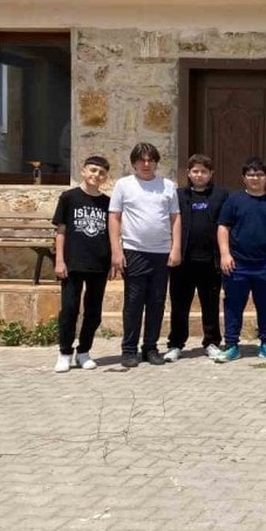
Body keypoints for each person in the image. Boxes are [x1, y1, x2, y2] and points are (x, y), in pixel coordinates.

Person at [108, 143, 181, 368]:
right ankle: (129, 349)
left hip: (161, 252)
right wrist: (116, 251)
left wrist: (176, 248)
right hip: (134, 251)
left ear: (156, 163)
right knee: (133, 302)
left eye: (151, 160)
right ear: (134, 163)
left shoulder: (168, 186)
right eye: (142, 160)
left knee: (157, 302)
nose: (146, 164)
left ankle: (150, 347)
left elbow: (175, 218)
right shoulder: (123, 185)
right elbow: (114, 217)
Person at [214, 157, 266, 362]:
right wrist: (225, 254)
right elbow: (223, 227)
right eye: (251, 175)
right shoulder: (234, 200)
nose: (255, 178)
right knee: (233, 305)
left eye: (259, 175)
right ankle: (231, 346)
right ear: (244, 178)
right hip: (237, 264)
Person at [51, 155, 113, 373]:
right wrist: (60, 260)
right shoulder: (69, 197)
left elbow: (112, 233)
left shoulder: (107, 203)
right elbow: (61, 231)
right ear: (83, 171)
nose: (96, 175)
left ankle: (84, 351)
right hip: (73, 263)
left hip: (98, 263)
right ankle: (64, 353)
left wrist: (112, 260)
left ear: (105, 177)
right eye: (93, 170)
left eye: (101, 173)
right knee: (69, 309)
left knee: (93, 312)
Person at [167, 154, 228, 361]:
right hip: (182, 261)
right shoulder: (178, 195)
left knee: (210, 305)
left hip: (211, 261)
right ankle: (176, 344)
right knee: (179, 305)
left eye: (203, 171)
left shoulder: (221, 195)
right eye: (195, 171)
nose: (199, 175)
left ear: (211, 173)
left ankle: (211, 342)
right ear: (188, 173)